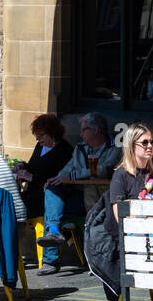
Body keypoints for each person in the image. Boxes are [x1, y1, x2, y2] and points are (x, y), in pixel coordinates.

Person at [84, 124, 153, 301]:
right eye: (144, 142)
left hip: (152, 235)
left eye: (152, 142)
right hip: (124, 240)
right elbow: (122, 219)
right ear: (132, 146)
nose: (150, 146)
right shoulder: (121, 175)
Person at [37, 112, 123, 276]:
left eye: (84, 130)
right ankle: (53, 234)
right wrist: (55, 178)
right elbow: (68, 168)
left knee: (57, 207)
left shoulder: (115, 148)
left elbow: (104, 170)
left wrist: (73, 176)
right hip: (79, 198)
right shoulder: (80, 148)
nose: (80, 134)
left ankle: (91, 260)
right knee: (52, 191)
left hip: (101, 200)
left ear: (96, 130)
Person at [15, 113, 73, 219]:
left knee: (16, 206)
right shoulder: (40, 146)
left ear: (52, 133)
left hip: (48, 197)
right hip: (32, 191)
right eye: (36, 135)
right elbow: (32, 166)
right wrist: (22, 166)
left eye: (40, 135)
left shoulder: (64, 150)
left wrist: (31, 177)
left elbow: (58, 180)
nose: (37, 138)